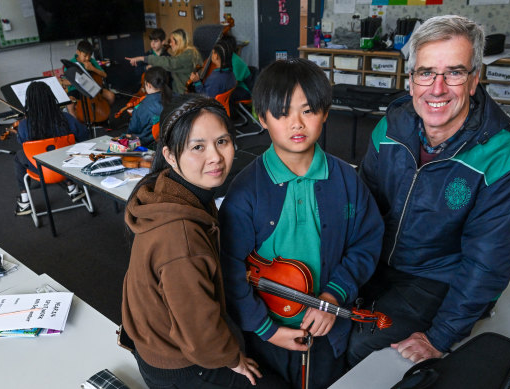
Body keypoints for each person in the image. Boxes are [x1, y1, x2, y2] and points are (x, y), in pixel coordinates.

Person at [346, 15, 510, 367]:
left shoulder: (504, 157)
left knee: (359, 344)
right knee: (318, 321)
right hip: (376, 262)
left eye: (455, 73)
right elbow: (361, 207)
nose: (437, 87)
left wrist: (442, 335)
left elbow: (487, 263)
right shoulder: (389, 126)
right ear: (412, 80)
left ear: (474, 80)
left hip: (437, 280)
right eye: (426, 72)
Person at [218, 58, 384, 389]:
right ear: (262, 119)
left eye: (307, 110)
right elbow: (230, 268)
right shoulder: (245, 190)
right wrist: (268, 330)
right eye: (281, 113)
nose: (296, 123)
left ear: (324, 113)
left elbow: (366, 241)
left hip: (327, 328)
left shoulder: (347, 180)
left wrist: (334, 298)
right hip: (265, 333)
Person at [121, 95, 287, 389]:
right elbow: (201, 337)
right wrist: (234, 359)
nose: (216, 157)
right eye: (198, 147)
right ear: (171, 155)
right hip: (180, 366)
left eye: (222, 141)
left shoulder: (168, 189)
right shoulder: (181, 238)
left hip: (154, 341)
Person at [14, 81, 88, 216]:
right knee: (61, 151)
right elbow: (83, 134)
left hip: (41, 169)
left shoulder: (25, 124)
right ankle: (72, 187)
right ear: (51, 97)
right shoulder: (65, 118)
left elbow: (22, 142)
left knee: (18, 156)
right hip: (67, 166)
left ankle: (24, 200)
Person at [126, 29, 202, 95]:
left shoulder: (188, 54)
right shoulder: (187, 53)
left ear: (178, 42)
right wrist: (145, 67)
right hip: (178, 92)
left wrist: (142, 58)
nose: (170, 44)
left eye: (171, 41)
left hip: (183, 94)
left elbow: (170, 63)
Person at [62, 40, 115, 118]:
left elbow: (104, 75)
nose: (87, 58)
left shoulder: (92, 61)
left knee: (111, 96)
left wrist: (93, 68)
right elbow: (66, 81)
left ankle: (104, 116)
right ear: (78, 52)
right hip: (76, 89)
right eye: (85, 56)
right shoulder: (71, 63)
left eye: (89, 56)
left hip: (93, 87)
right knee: (70, 104)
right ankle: (77, 124)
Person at [127, 66, 172, 146]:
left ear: (148, 85)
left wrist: (135, 113)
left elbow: (132, 130)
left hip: (151, 146)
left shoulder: (141, 106)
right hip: (175, 142)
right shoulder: (179, 98)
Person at [220, 34, 252, 102]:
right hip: (235, 88)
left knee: (226, 97)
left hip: (243, 90)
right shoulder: (227, 58)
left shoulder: (236, 61)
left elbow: (234, 83)